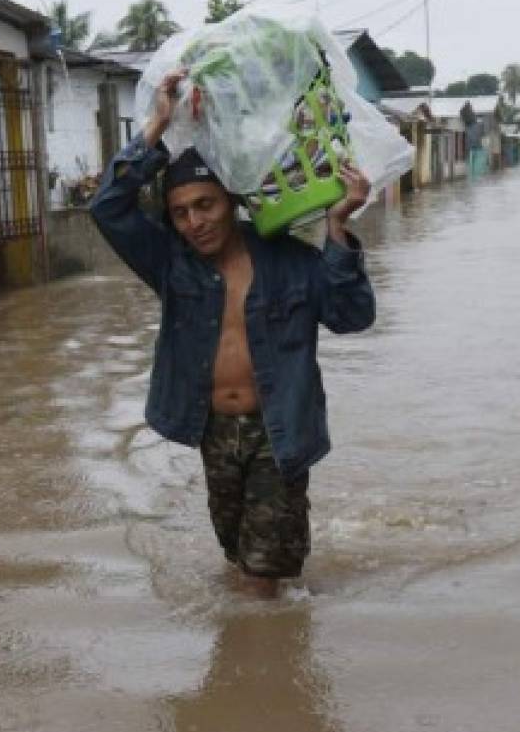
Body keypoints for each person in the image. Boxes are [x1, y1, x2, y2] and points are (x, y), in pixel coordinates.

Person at [90, 68, 377, 597]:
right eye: (180, 213)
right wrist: (156, 123)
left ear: (231, 201)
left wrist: (338, 229)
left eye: (205, 205)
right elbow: (107, 207)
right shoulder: (172, 264)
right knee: (236, 555)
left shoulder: (291, 259)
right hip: (212, 432)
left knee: (260, 576)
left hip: (279, 430)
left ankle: (263, 668)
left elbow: (352, 316)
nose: (194, 222)